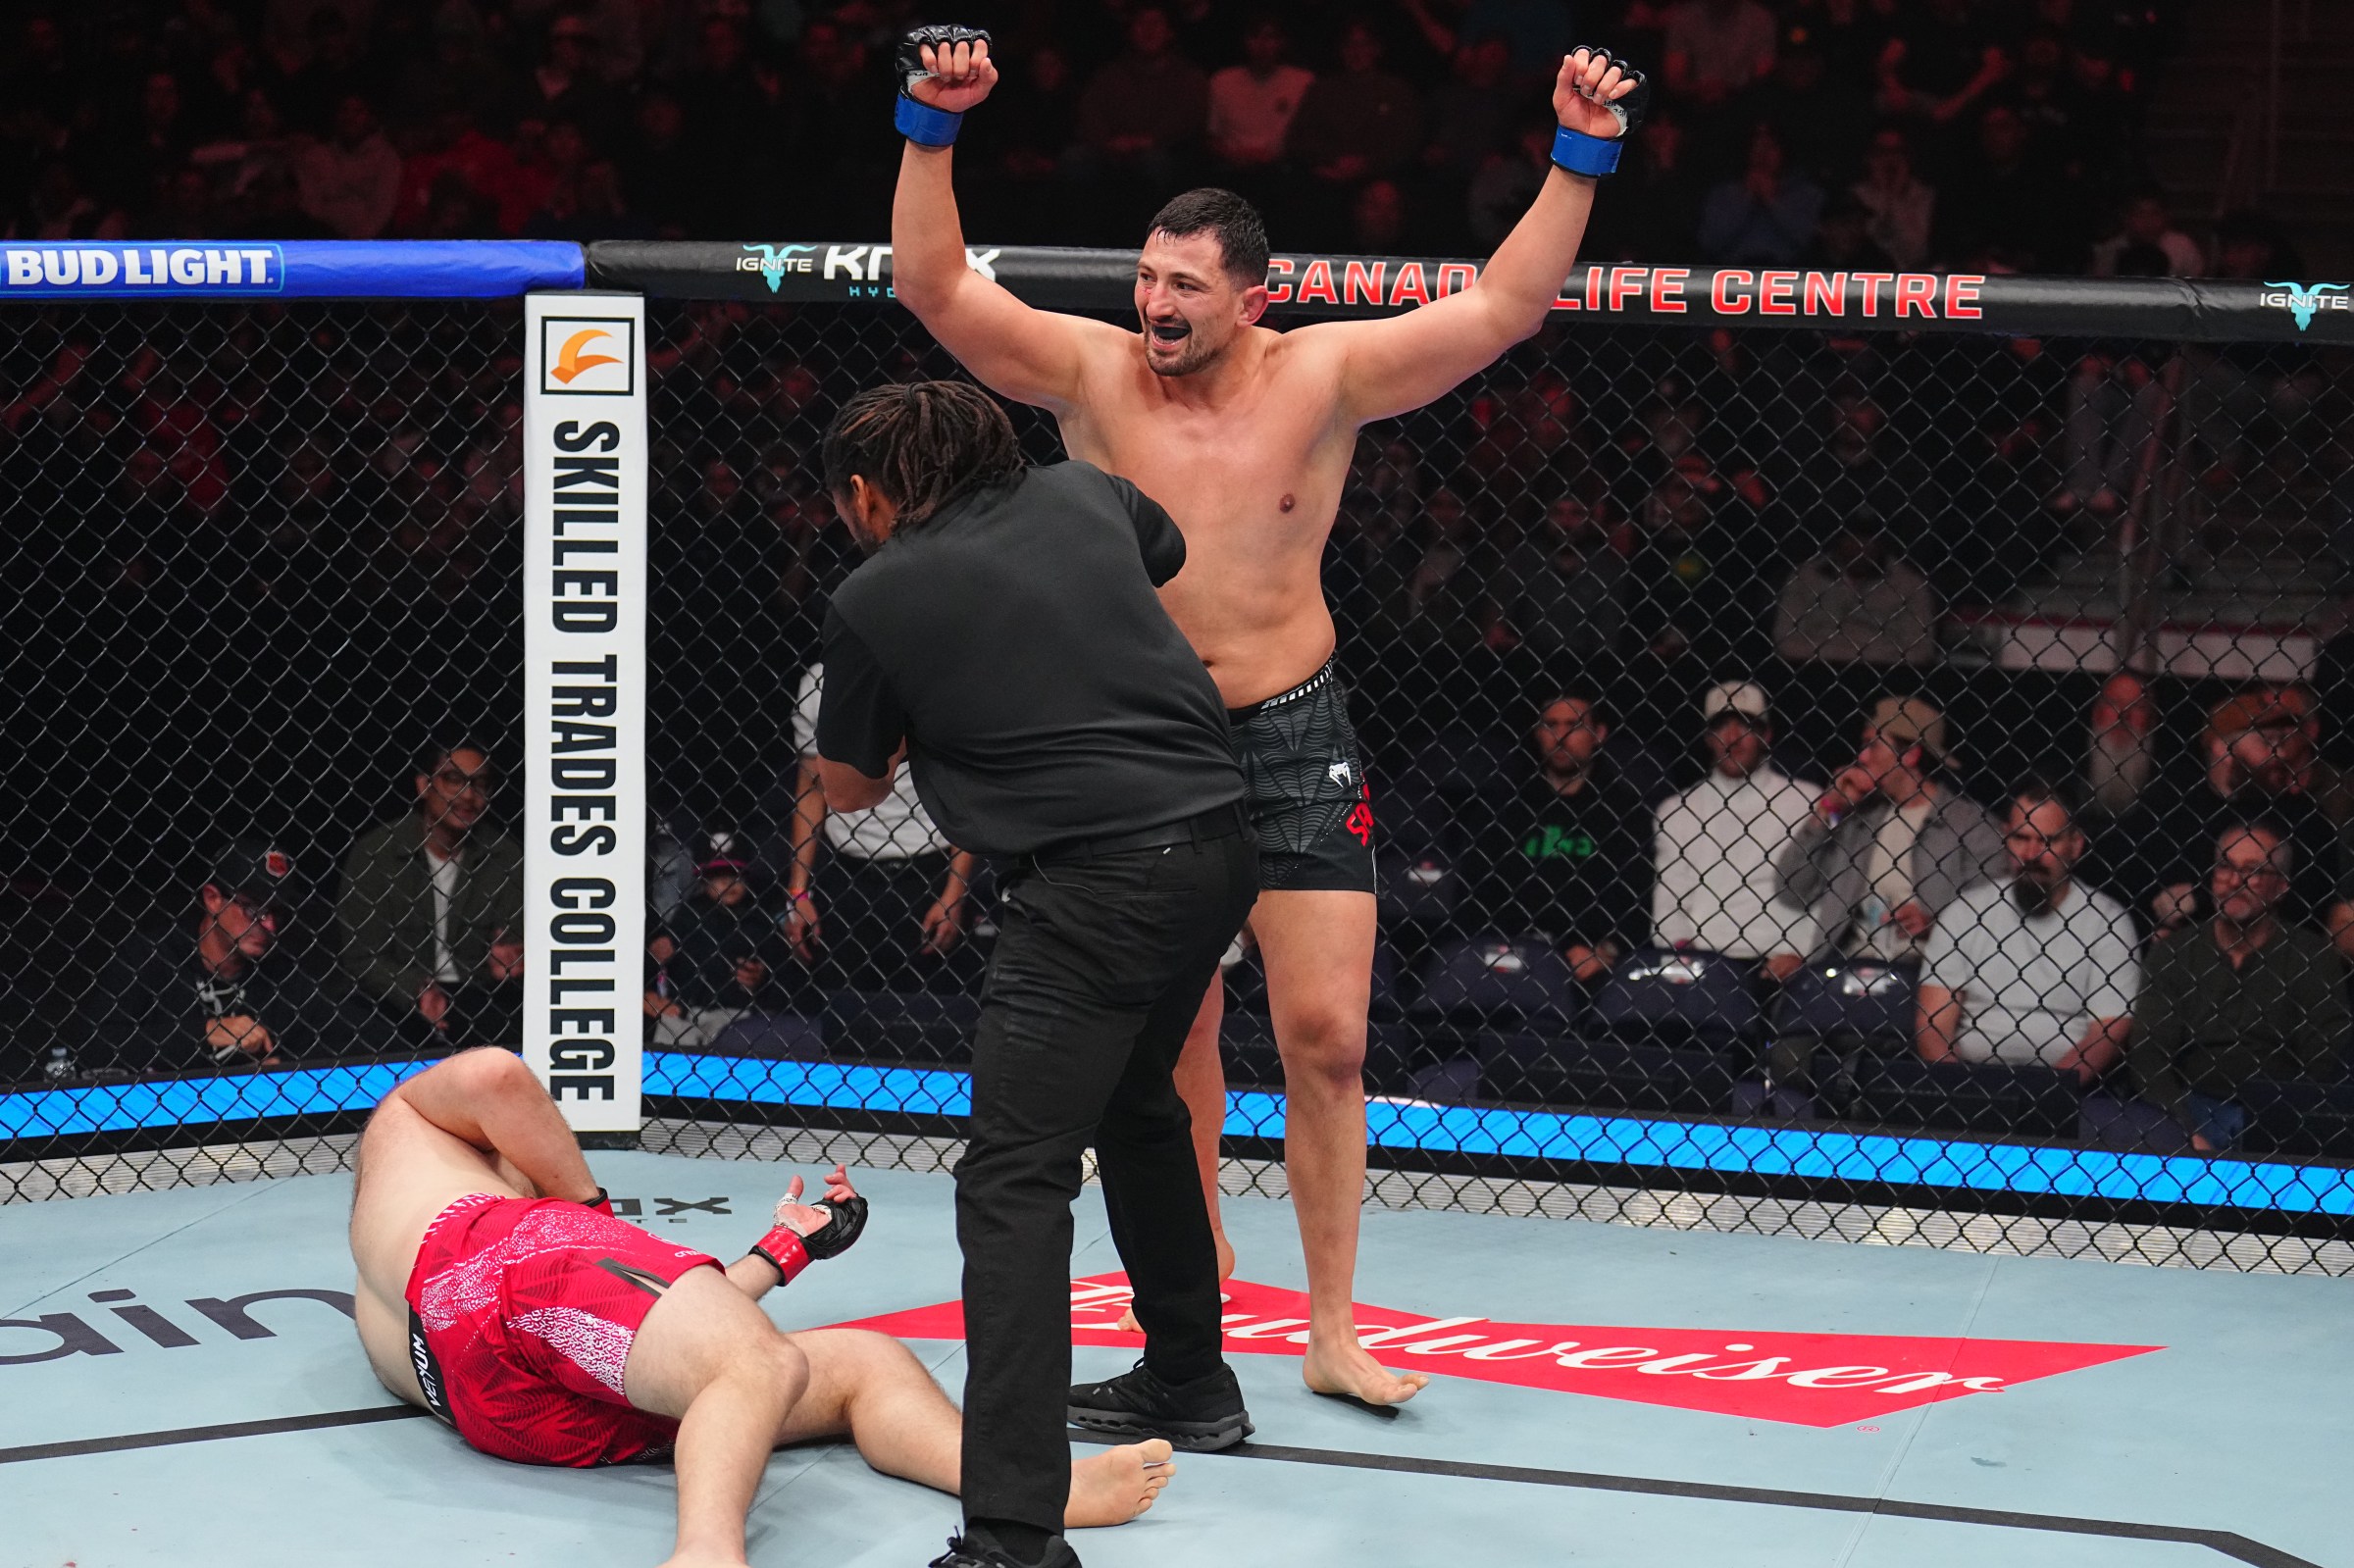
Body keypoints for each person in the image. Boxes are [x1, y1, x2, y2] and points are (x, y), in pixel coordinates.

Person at [890, 24, 1647, 1410]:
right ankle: (1201, 1307)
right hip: (1144, 748)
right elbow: (932, 285)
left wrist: (1580, 154)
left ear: (1253, 294)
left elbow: (1504, 310)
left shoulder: (1325, 378)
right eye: (1146, 274)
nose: (1154, 299)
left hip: (1295, 728)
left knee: (1327, 1038)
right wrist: (930, 124)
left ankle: (1338, 1326)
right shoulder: (1094, 373)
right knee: (1168, 1044)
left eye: (1184, 282)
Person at [810, 381, 1259, 1568]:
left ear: (868, 494)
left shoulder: (876, 593)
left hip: (1095, 887)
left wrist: (932, 713)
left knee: (1012, 1186)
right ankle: (1187, 1378)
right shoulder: (1086, 495)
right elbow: (1156, 555)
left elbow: (850, 789)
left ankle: (1011, 1537)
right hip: (1218, 845)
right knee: (1137, 1102)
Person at [349, 1048, 1175, 1568]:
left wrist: (784, 1252)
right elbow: (497, 1075)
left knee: (859, 1362)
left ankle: (1022, 1489)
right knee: (763, 1363)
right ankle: (707, 1551)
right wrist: (593, 1208)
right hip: (504, 1265)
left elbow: (626, 1335)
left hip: (483, 1402)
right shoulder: (416, 1125)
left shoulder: (390, 1243)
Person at [2127, 822, 2351, 1151]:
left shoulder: (2312, 958)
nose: (2234, 882)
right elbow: (2149, 1054)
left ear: (2281, 886)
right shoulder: (2175, 952)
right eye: (2225, 867)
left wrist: (2286, 1122)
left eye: (2253, 871)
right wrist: (2184, 1129)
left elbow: (2324, 1060)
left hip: (2278, 1108)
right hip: (2190, 1103)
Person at [74, 840, 383, 1075]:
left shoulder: (282, 972)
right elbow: (95, 1045)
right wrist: (205, 1031)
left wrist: (285, 1068)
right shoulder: (152, 956)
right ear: (212, 899)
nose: (269, 925)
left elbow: (347, 1039)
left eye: (276, 911)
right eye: (254, 909)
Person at [1917, 783, 2139, 1082]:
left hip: (2068, 1087)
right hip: (1970, 1078)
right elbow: (1932, 1025)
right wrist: (1959, 1089)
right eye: (2021, 838)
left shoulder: (2108, 922)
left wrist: (2048, 1093)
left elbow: (2108, 1032)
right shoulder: (1965, 913)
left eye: (2047, 841)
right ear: (2005, 837)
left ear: (2075, 845)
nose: (2031, 853)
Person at [781, 663, 981, 992]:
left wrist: (954, 894)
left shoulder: (937, 678)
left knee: (930, 1016)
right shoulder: (821, 683)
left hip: (928, 872)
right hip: (848, 877)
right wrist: (798, 891)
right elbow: (811, 788)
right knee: (844, 1015)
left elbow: (965, 795)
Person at [1776, 696, 2007, 966]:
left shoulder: (1972, 827)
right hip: (1847, 968)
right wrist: (1829, 808)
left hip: (1927, 974)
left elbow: (1995, 920)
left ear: (1910, 755)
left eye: (1872, 745)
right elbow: (1792, 890)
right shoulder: (1859, 819)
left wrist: (1937, 926)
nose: (1861, 757)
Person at [336, 738, 524, 1046]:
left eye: (480, 784)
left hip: (478, 993)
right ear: (424, 785)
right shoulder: (376, 853)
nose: (468, 795)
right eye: (453, 780)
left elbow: (510, 947)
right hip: (396, 995)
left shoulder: (504, 855)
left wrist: (509, 957)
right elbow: (361, 957)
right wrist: (415, 989)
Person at [1462, 691, 1652, 985]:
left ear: (1598, 734)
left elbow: (1637, 898)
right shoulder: (1504, 808)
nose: (1560, 735)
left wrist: (1606, 950)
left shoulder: (1624, 813)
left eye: (1573, 725)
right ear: (1538, 733)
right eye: (1551, 725)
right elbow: (1476, 890)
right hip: (1506, 949)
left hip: (1587, 960)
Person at [1650, 682, 1818, 980]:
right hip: (1702, 962)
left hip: (1784, 963)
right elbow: (1668, 901)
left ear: (1766, 735)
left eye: (1745, 726)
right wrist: (1683, 953)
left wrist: (1802, 952)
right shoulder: (1676, 810)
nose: (1732, 738)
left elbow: (1825, 890)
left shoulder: (1807, 802)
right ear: (1707, 737)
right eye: (1721, 727)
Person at [646, 831, 795, 1050]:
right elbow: (664, 955)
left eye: (735, 875)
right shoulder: (689, 914)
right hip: (687, 1010)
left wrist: (761, 977)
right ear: (704, 882)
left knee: (740, 1041)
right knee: (671, 1034)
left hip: (737, 1012)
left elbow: (780, 968)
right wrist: (661, 951)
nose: (727, 883)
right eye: (717, 877)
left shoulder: (759, 919)